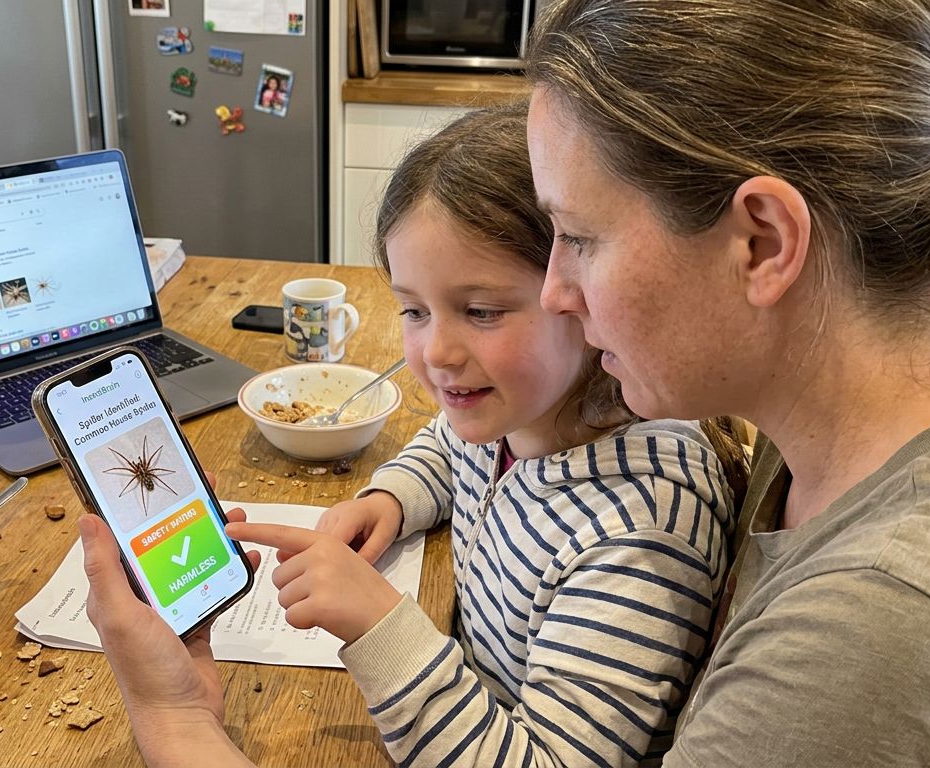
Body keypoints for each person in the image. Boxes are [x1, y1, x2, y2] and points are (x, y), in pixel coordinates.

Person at [78, 0, 930, 764]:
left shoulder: (881, 644)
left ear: (761, 243)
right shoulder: (865, 436)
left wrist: (174, 719)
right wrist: (399, 493)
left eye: (579, 240)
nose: (557, 294)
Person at [231, 102, 746, 767]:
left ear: (581, 295)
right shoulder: (510, 412)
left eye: (479, 311)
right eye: (413, 309)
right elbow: (450, 447)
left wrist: (381, 628)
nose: (436, 351)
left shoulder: (640, 532)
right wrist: (389, 500)